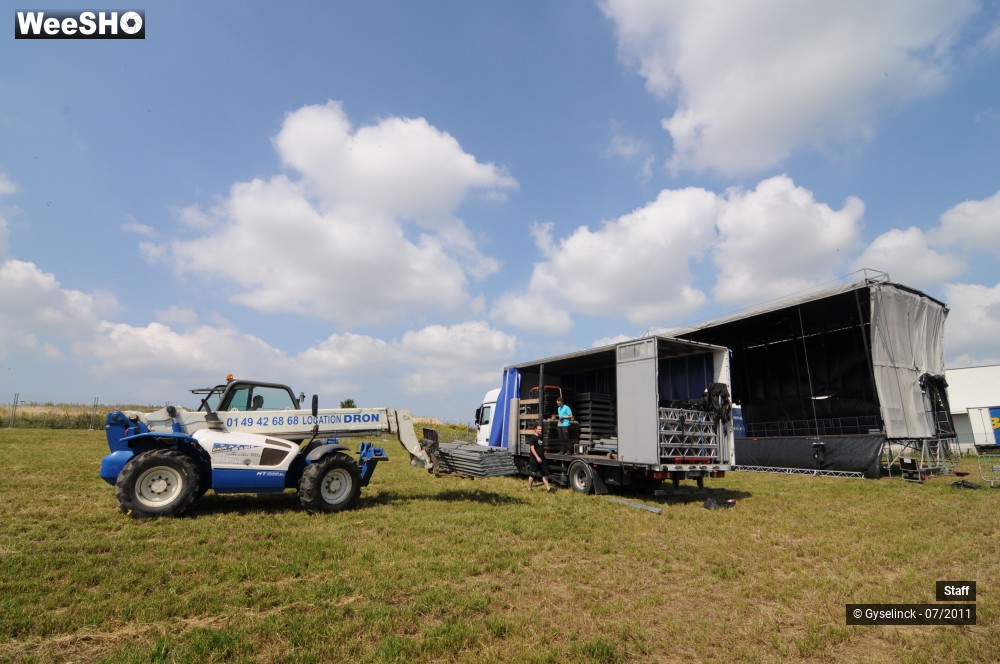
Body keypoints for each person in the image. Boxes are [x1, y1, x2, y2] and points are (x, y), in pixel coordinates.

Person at [526, 424, 554, 492]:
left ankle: (548, 488)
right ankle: (529, 488)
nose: (540, 430)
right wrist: (537, 457)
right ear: (535, 429)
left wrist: (544, 452)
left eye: (541, 429)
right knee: (533, 473)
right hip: (535, 458)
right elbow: (532, 448)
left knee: (544, 473)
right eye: (539, 429)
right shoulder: (533, 438)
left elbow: (540, 447)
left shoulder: (540, 438)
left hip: (542, 458)